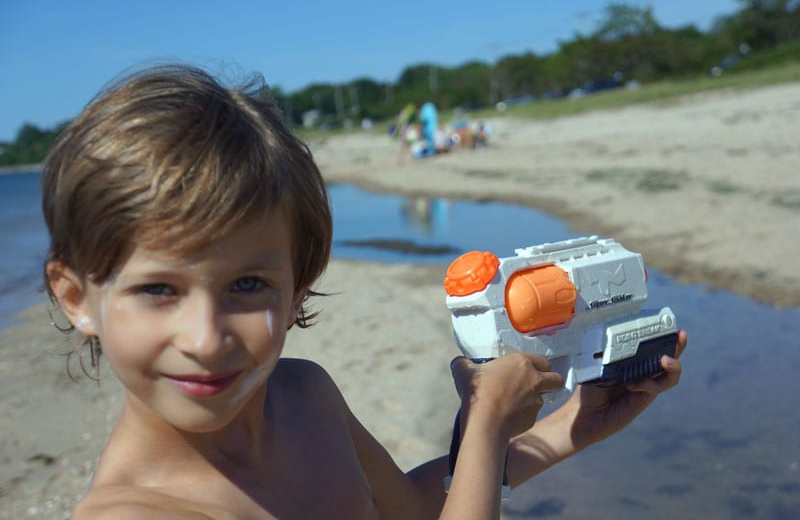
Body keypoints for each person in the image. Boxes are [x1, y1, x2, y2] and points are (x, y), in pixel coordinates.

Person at [42, 63, 686, 519]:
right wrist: (484, 423)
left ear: (299, 290)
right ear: (77, 298)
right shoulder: (135, 513)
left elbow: (410, 508)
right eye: (158, 289)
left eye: (248, 284)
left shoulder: (304, 395)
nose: (206, 339)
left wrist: (573, 426)